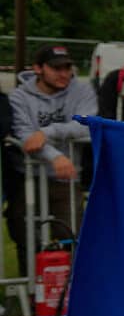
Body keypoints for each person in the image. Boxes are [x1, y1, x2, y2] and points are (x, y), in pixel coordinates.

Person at [5, 44, 95, 259]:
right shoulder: (19, 96)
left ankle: (69, 287)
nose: (64, 74)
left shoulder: (82, 90)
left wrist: (47, 132)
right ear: (38, 69)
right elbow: (25, 135)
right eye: (56, 68)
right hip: (29, 176)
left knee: (72, 233)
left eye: (67, 67)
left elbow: (87, 124)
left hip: (66, 177)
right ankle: (31, 286)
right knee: (23, 230)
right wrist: (55, 157)